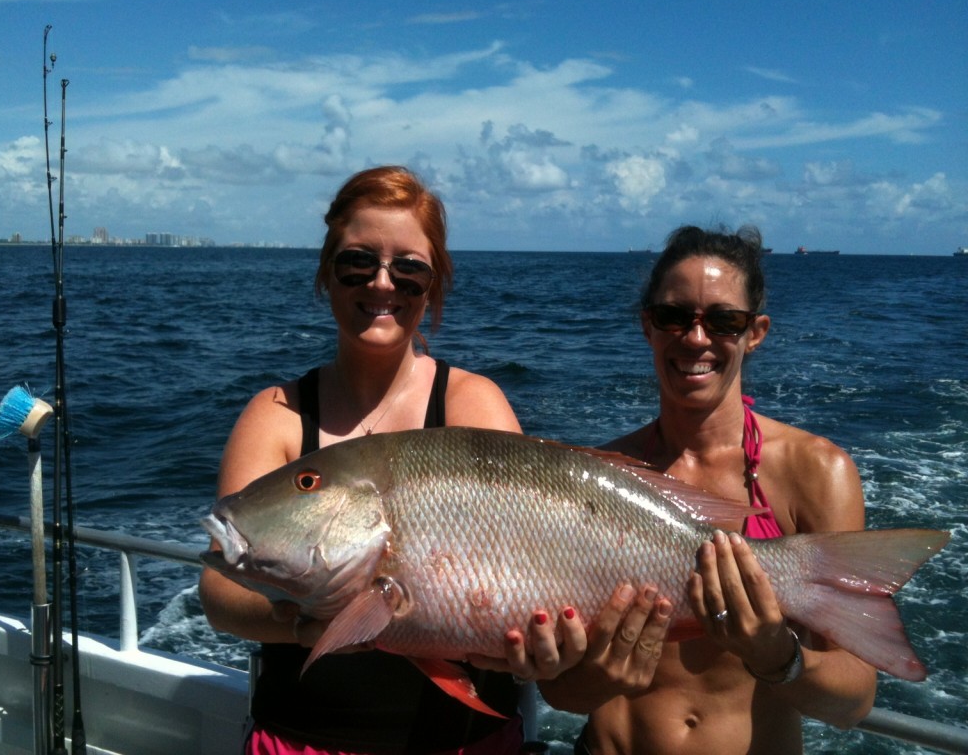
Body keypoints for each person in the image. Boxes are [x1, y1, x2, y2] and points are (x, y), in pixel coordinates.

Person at [199, 166, 589, 755]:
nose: (382, 284)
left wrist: (549, 647)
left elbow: (545, 552)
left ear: (432, 288)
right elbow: (220, 589)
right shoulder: (276, 414)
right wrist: (307, 624)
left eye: (409, 269)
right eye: (358, 262)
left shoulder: (471, 401)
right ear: (327, 275)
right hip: (302, 739)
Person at [538, 225, 877, 754]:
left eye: (723, 320)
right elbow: (563, 695)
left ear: (755, 331)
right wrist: (604, 677)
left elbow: (853, 700)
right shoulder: (594, 478)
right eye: (674, 316)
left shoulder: (816, 472)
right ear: (648, 325)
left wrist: (777, 657)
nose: (695, 338)